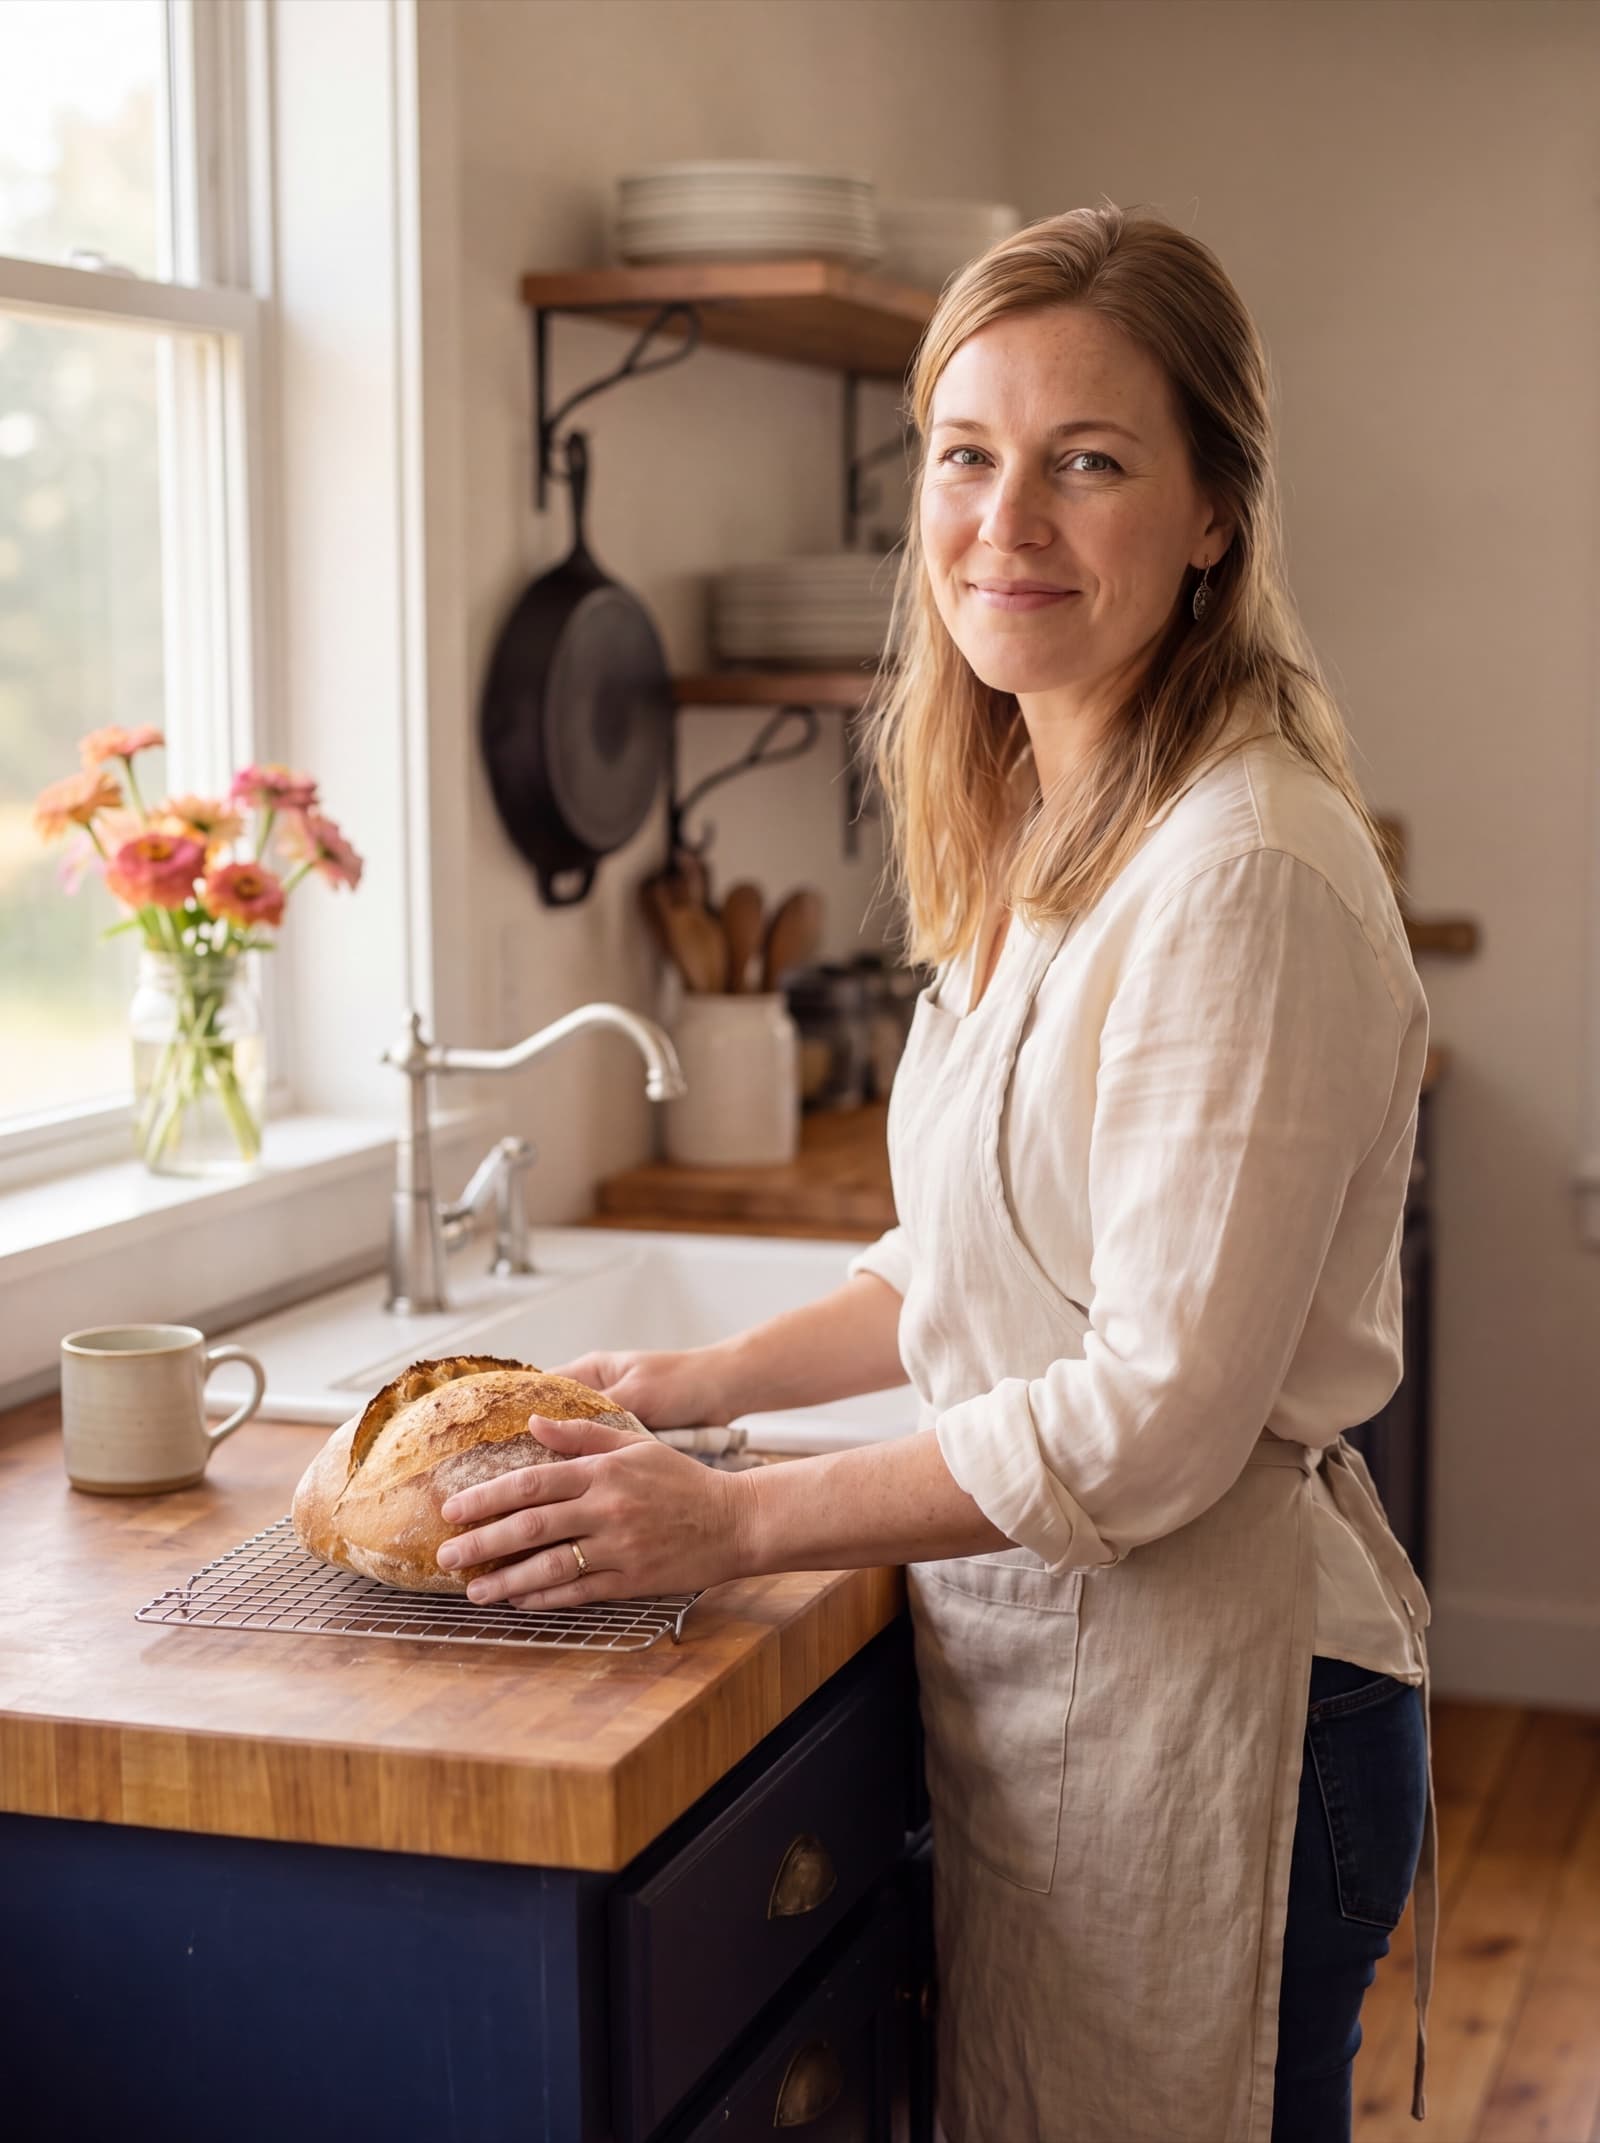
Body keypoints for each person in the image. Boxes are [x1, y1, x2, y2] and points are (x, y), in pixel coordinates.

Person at [434, 203, 1435, 2143]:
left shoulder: (1235, 867)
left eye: (1087, 463)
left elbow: (1146, 1418)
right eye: (966, 458)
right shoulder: (1057, 825)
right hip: (1078, 1696)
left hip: (1224, 1723)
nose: (1006, 523)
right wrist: (694, 1389)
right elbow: (957, 1261)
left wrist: (731, 1523)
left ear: (1212, 512)